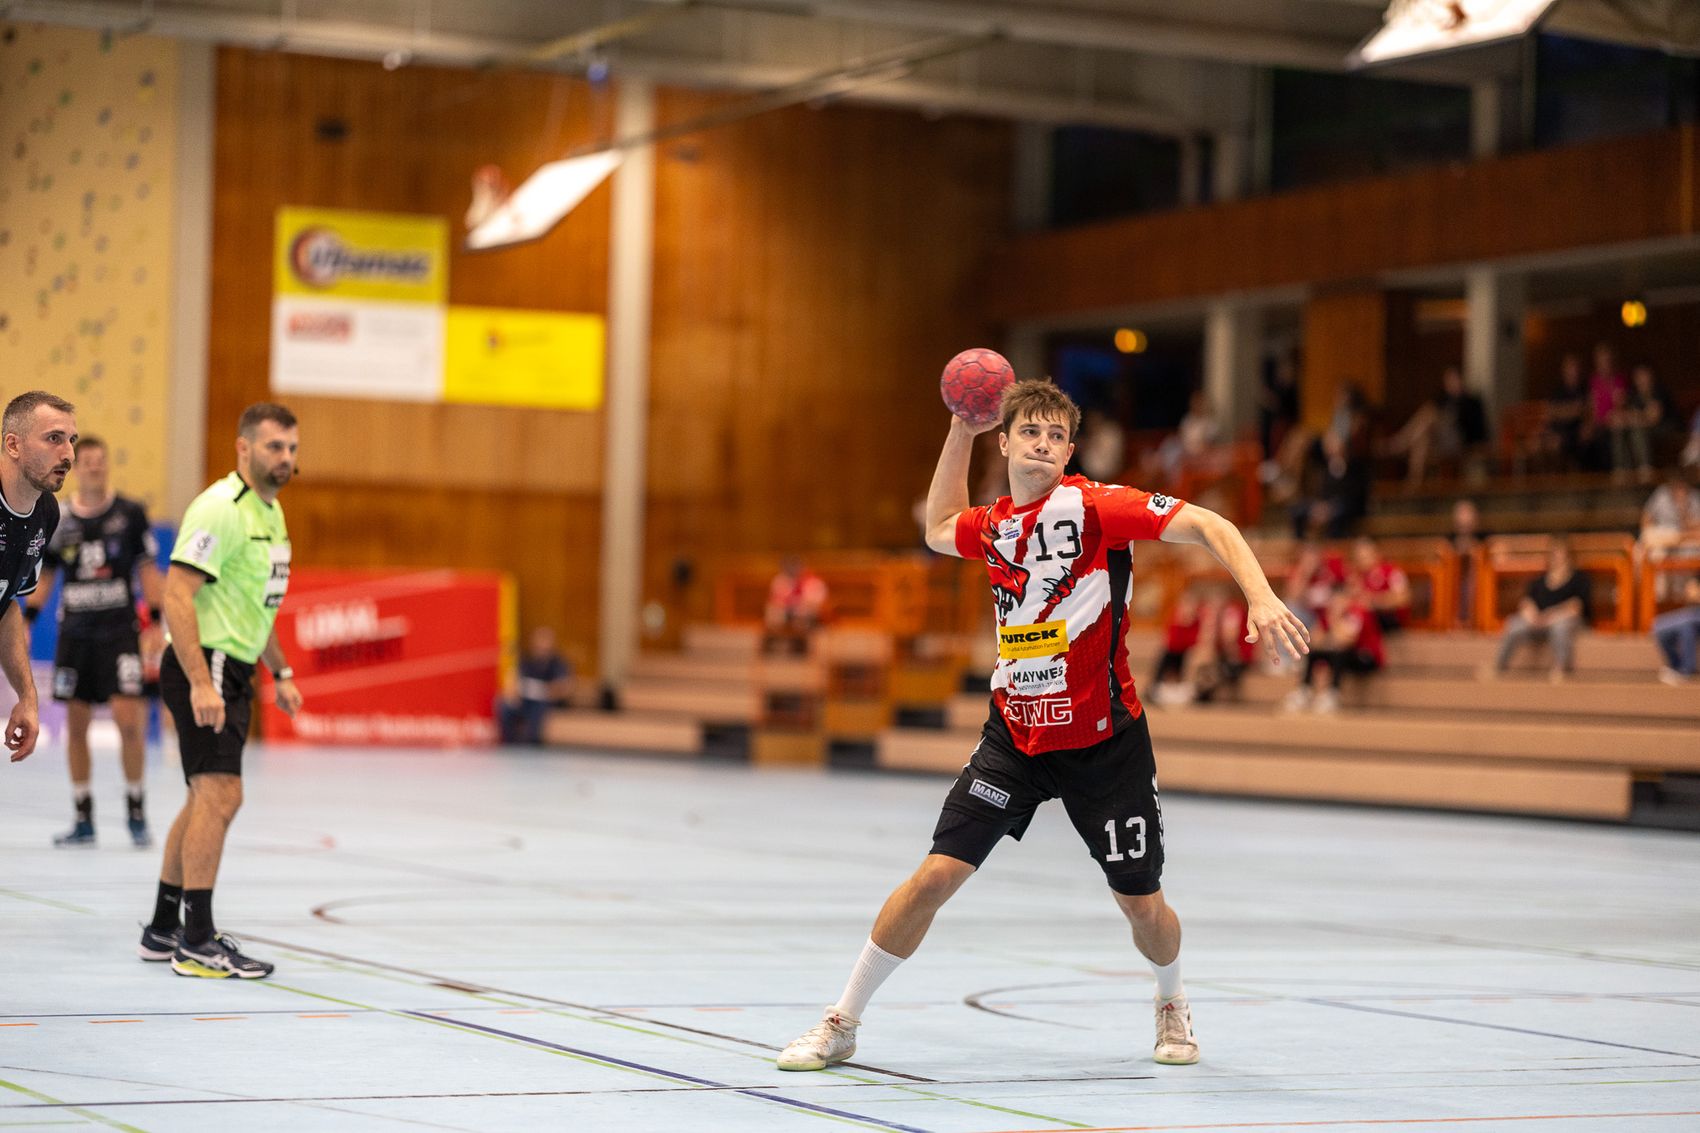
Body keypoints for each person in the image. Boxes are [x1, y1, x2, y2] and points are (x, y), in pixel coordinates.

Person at [775, 379, 1309, 1073]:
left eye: (1057, 436)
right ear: (1006, 442)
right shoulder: (994, 523)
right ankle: (841, 1020)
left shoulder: (1095, 508)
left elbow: (1214, 525)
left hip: (1105, 742)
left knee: (1142, 906)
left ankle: (1172, 1000)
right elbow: (938, 528)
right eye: (1031, 432)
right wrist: (959, 429)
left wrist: (1260, 596)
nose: (1044, 444)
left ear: (1068, 451)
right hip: (1016, 739)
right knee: (935, 874)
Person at [137, 403, 303, 980]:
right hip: (205, 664)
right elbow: (177, 595)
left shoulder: (272, 513)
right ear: (243, 448)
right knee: (221, 796)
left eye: (291, 449)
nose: (285, 458)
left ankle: (163, 929)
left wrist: (279, 674)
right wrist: (203, 682)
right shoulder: (220, 509)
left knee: (204, 796)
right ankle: (198, 943)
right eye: (274, 447)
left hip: (235, 667)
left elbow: (260, 609)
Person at [28, 437, 165, 848]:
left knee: (129, 724)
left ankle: (136, 809)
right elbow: (46, 575)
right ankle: (83, 816)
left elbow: (147, 571)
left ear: (107, 467)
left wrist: (156, 622)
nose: (93, 468)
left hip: (119, 633)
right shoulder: (61, 518)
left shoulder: (130, 514)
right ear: (75, 467)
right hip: (75, 636)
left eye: (99, 462)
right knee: (76, 726)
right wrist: (26, 619)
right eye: (85, 462)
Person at [0, 392, 75, 768]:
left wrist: (27, 697)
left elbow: (6, 607)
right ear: (12, 444)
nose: (69, 454)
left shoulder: (46, 512)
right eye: (54, 438)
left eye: (71, 440)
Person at [1491, 539, 1590, 681]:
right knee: (1514, 624)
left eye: (1561, 554)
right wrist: (1532, 615)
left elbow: (1576, 607)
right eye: (1554, 554)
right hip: (1539, 621)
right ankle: (1499, 667)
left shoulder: (1579, 579)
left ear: (1569, 556)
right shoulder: (1539, 580)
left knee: (1560, 627)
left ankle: (1561, 668)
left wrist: (1551, 616)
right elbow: (1526, 601)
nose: (1557, 558)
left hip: (1562, 619)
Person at [1281, 582, 1383, 714]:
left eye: (1339, 600)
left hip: (1366, 657)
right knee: (1314, 654)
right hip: (1343, 654)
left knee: (1338, 654)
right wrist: (1330, 623)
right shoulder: (1329, 615)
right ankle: (1304, 690)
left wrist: (1333, 621)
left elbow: (1345, 640)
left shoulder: (1357, 612)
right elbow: (1313, 639)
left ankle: (1332, 694)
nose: (1336, 604)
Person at [1384, 365, 1489, 487]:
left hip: (1459, 442)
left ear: (1461, 379)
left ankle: (1399, 443)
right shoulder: (1442, 399)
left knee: (1429, 415)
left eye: (1454, 379)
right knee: (1422, 439)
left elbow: (1477, 431)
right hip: (1440, 441)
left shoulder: (1471, 402)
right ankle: (1414, 482)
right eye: (1448, 379)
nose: (1451, 383)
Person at [498, 626, 573, 744]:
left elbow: (564, 686)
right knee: (504, 704)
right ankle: (509, 741)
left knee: (539, 705)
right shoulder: (526, 660)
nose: (542, 645)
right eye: (539, 640)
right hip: (525, 699)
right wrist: (513, 692)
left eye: (545, 640)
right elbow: (515, 679)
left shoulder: (558, 662)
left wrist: (547, 690)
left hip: (546, 700)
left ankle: (532, 741)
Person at [1609, 364, 1671, 485]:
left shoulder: (1659, 392)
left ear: (1651, 376)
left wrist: (1636, 418)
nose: (1642, 380)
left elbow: (1653, 419)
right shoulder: (1634, 396)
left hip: (1664, 429)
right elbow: (1627, 415)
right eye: (1638, 377)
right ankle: (1621, 468)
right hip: (1642, 431)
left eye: (1644, 376)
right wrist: (1625, 418)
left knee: (1636, 427)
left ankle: (1645, 467)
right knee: (1620, 427)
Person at [763, 556, 829, 654]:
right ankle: (773, 648)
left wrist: (800, 605)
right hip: (787, 613)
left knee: (802, 617)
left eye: (795, 567)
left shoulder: (813, 581)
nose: (793, 571)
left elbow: (817, 602)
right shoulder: (780, 580)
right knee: (774, 613)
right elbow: (777, 599)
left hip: (809, 616)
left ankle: (801, 648)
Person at [1536, 354, 1588, 472]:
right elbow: (1550, 411)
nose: (1573, 372)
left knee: (1555, 444)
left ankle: (1558, 479)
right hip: (1555, 431)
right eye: (1570, 369)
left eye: (1575, 369)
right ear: (1564, 371)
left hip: (1573, 433)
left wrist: (1561, 411)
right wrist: (1568, 411)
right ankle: (1543, 480)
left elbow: (1581, 411)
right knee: (1536, 446)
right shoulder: (1558, 390)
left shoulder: (1584, 389)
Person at [1350, 536, 1412, 633]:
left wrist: (1374, 601)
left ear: (1376, 554)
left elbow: (1403, 598)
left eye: (1365, 557)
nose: (1362, 561)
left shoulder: (1392, 571)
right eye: (1359, 558)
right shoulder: (1358, 575)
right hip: (1367, 616)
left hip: (1388, 617)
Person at [1447, 499, 1490, 627]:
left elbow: (1499, 555)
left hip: (1477, 583)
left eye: (1467, 513)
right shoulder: (1448, 540)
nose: (1464, 519)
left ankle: (1476, 621)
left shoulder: (1485, 538)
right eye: (1461, 514)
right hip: (1454, 583)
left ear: (1476, 518)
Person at [1652, 574, 1700, 685]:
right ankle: (1676, 666)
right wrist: (1693, 586)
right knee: (1659, 625)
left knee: (1687, 625)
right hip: (1695, 611)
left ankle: (1687, 670)